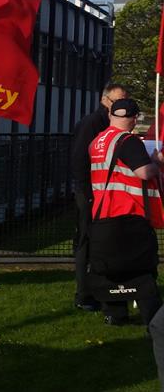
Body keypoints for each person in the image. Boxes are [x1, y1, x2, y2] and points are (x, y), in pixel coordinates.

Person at [86, 97, 162, 326]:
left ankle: (115, 314)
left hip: (102, 213)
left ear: (111, 116)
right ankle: (153, 319)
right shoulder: (128, 141)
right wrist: (157, 161)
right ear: (134, 119)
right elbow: (144, 173)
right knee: (142, 269)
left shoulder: (97, 141)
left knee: (111, 269)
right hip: (129, 213)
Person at [69, 82, 129, 311]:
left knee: (100, 242)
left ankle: (98, 290)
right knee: (86, 241)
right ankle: (84, 294)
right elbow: (79, 160)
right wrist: (87, 192)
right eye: (118, 102)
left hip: (101, 191)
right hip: (91, 193)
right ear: (105, 101)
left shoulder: (107, 123)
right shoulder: (93, 123)